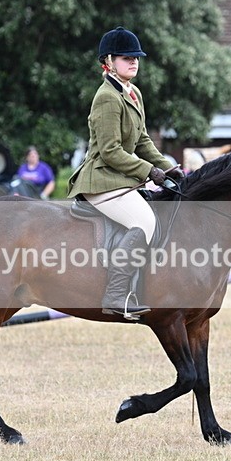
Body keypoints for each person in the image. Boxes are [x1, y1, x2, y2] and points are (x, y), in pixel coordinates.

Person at [67, 26, 183, 318]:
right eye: (125, 57)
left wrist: (169, 168)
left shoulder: (133, 92)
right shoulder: (106, 96)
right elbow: (110, 151)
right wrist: (150, 171)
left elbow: (143, 140)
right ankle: (116, 296)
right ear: (108, 61)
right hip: (101, 179)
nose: (133, 62)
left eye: (136, 57)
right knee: (144, 221)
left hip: (120, 178)